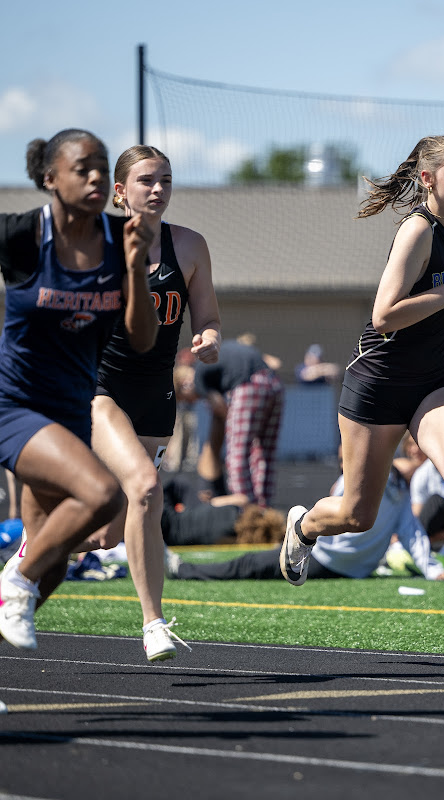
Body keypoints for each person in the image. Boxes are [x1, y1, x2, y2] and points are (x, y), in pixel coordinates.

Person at [278, 134, 444, 655]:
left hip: (432, 380)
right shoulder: (416, 232)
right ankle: (306, 525)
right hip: (377, 383)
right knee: (359, 514)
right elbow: (384, 316)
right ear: (428, 179)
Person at [0, 129, 158, 649]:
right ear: (50, 178)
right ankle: (13, 581)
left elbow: (140, 339)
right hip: (14, 405)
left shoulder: (121, 241)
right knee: (102, 493)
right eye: (81, 167)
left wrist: (135, 268)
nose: (95, 177)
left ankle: (22, 581)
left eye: (101, 167)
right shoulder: (22, 235)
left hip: (69, 411)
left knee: (52, 567)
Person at [86, 145, 222, 662]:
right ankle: (153, 624)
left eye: (165, 179)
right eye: (146, 180)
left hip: (155, 394)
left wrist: (207, 338)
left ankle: (24, 563)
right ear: (120, 191)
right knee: (147, 488)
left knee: (105, 532)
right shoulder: (95, 245)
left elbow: (207, 315)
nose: (158, 189)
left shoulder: (188, 245)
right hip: (98, 388)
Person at [167, 460, 444, 583]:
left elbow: (409, 532)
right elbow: (411, 533)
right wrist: (432, 569)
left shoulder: (360, 481)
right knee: (253, 565)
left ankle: (184, 570)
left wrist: (432, 568)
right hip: (357, 568)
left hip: (329, 559)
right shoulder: (399, 488)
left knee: (250, 565)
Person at [193, 338, 284, 508]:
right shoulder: (228, 353)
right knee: (265, 451)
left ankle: (245, 510)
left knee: (237, 453)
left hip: (249, 386)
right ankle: (264, 506)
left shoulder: (198, 378)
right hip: (274, 383)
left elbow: (220, 407)